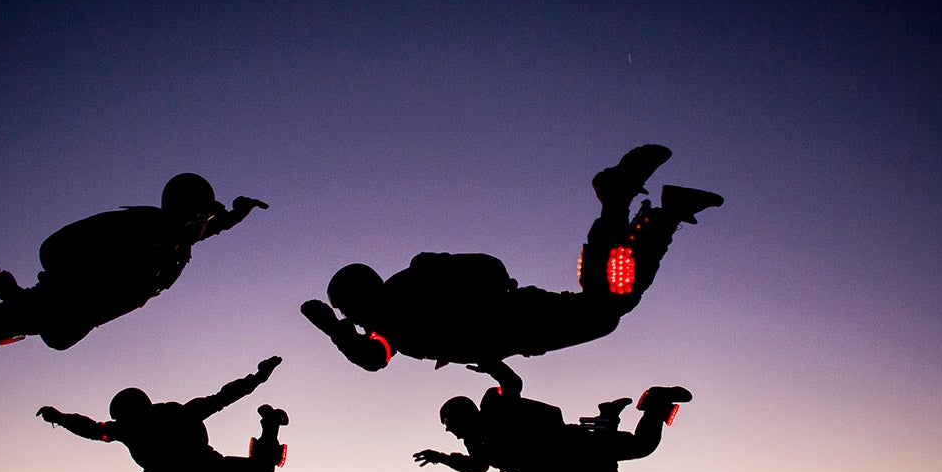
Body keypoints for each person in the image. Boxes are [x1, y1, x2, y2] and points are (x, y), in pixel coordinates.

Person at [300, 144, 721, 370]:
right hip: (518, 323)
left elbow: (373, 358)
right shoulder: (392, 308)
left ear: (358, 296)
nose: (351, 319)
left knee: (606, 307)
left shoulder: (392, 310)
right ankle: (656, 213)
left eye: (346, 308)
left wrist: (330, 329)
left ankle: (625, 202)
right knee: (606, 304)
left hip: (519, 321)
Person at [0, 173, 267, 350]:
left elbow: (211, 229)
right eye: (197, 216)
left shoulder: (177, 237)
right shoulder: (148, 231)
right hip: (68, 304)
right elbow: (62, 253)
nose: (200, 225)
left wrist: (239, 213)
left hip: (71, 309)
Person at [36, 356, 287, 472]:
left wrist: (60, 418)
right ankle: (271, 423)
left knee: (263, 469)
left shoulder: (128, 428)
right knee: (264, 468)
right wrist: (257, 378)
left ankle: (272, 423)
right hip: (204, 469)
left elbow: (90, 429)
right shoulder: (158, 420)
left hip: (202, 469)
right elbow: (224, 397)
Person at [412, 360, 691, 472]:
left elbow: (512, 384)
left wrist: (491, 363)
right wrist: (442, 458)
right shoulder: (477, 444)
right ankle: (609, 416)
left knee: (641, 447)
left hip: (571, 444)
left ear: (463, 415)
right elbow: (477, 468)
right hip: (564, 463)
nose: (451, 432)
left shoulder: (492, 406)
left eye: (450, 425)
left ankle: (655, 400)